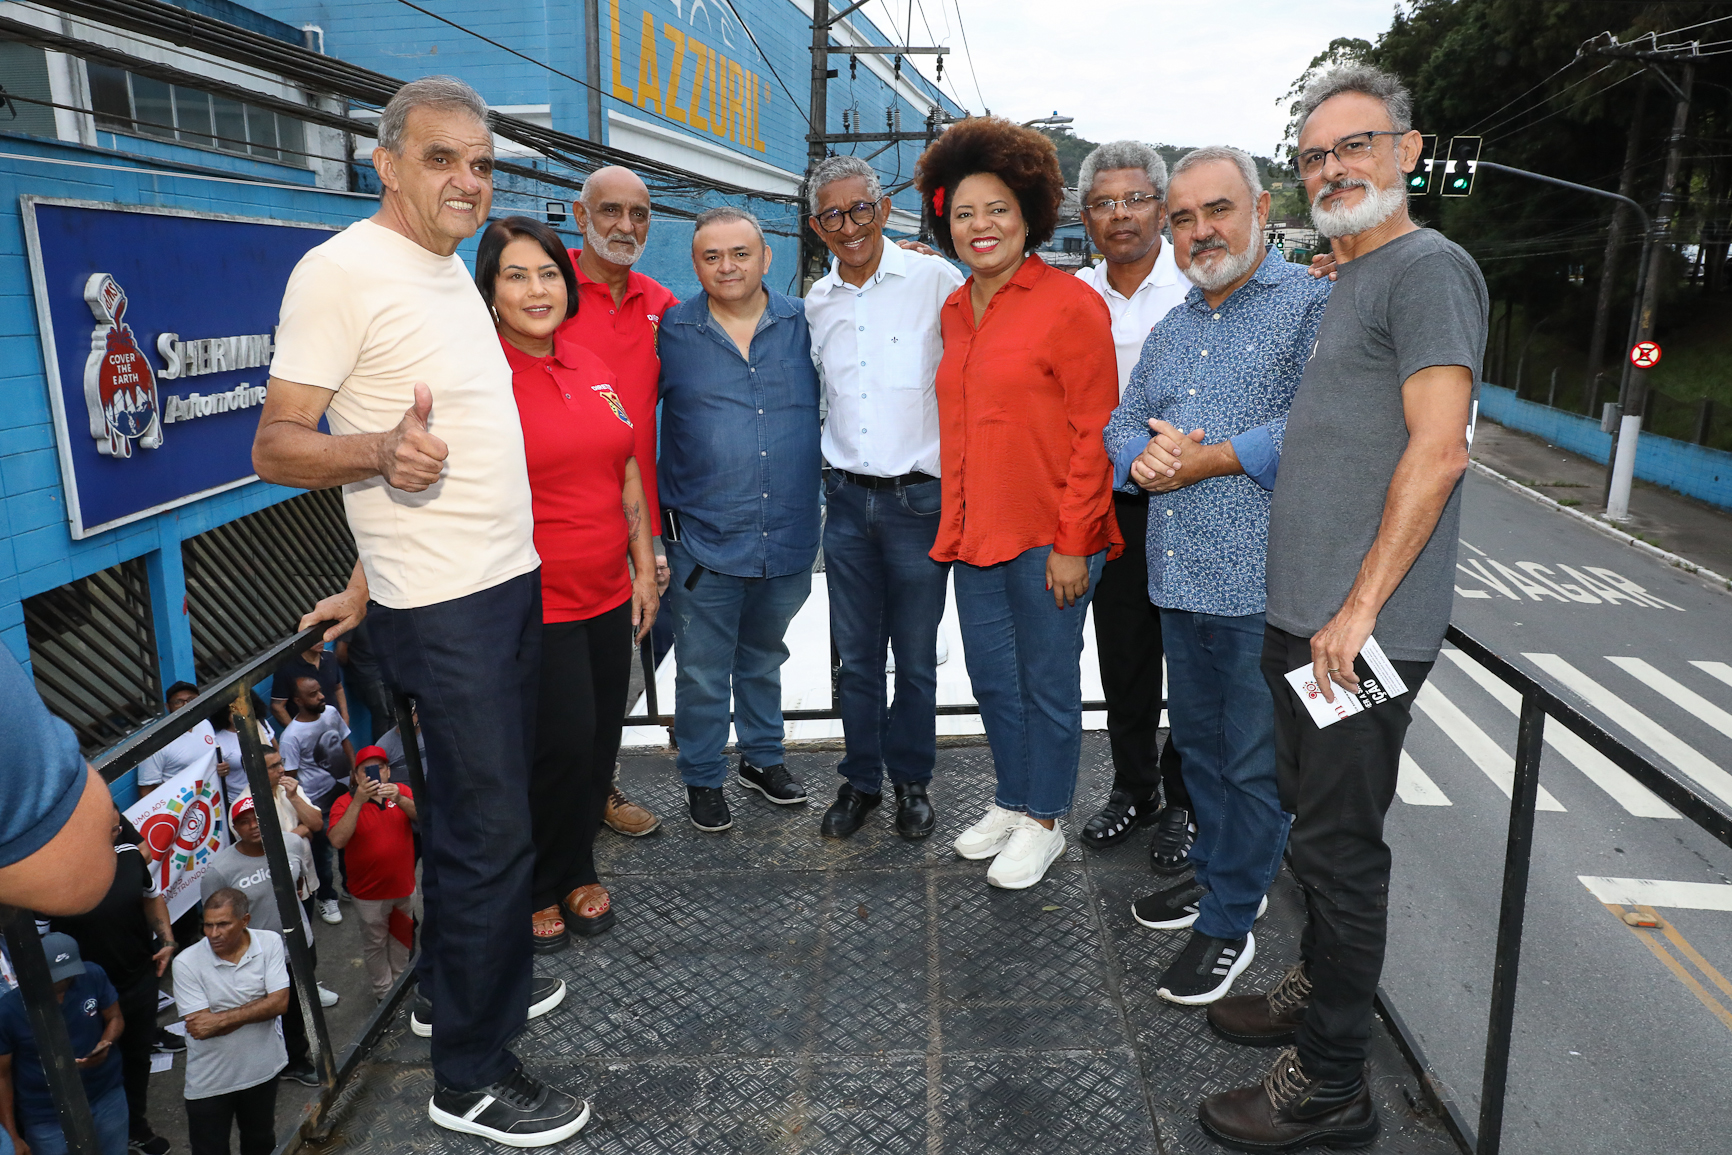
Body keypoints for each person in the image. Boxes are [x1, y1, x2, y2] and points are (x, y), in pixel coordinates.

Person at [254, 75, 581, 1145]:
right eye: (442, 158)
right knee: (488, 836)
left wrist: (357, 579)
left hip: (498, 582)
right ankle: (472, 1077)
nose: (467, 180)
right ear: (385, 162)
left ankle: (453, 991)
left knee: (477, 820)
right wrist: (379, 452)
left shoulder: (444, 273)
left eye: (482, 163)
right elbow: (278, 444)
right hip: (448, 611)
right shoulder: (339, 270)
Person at [1196, 67, 1486, 1152]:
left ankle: (1329, 1087)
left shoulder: (1428, 269)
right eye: (1314, 155)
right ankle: (1316, 995)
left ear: (1407, 151)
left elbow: (1439, 448)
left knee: (1342, 854)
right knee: (1309, 838)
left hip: (1354, 636)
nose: (1332, 168)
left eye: (1354, 145)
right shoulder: (1350, 277)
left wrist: (1361, 607)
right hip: (1303, 622)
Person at [1105, 146, 1331, 1008]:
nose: (1202, 232)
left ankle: (1232, 920)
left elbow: (1314, 424)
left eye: (1218, 211)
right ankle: (1210, 874)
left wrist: (1207, 459)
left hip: (1262, 588)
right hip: (1177, 575)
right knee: (1197, 753)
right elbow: (1122, 424)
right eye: (1185, 220)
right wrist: (1145, 457)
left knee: (1253, 765)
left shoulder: (1312, 306)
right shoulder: (1174, 326)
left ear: (1261, 208)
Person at [914, 118, 1123, 890]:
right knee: (995, 681)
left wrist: (1075, 540)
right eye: (964, 213)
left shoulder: (1069, 304)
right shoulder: (956, 311)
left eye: (998, 209)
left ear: (1028, 213)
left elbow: (1094, 431)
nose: (981, 226)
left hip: (1050, 538)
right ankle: (1013, 798)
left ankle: (1046, 820)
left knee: (1047, 682)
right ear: (946, 222)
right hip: (974, 534)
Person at [474, 215, 657, 948]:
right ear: (489, 291)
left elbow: (626, 469)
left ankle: (578, 862)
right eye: (515, 274)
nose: (536, 288)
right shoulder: (479, 379)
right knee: (555, 744)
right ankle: (542, 882)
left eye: (548, 272)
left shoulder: (590, 364)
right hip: (531, 599)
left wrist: (645, 565)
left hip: (608, 591)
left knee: (597, 738)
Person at [802, 155, 962, 840]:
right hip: (844, 505)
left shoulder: (935, 280)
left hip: (919, 504)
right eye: (833, 215)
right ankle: (862, 779)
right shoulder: (817, 302)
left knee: (916, 657)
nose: (850, 226)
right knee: (856, 657)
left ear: (885, 208)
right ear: (817, 227)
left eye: (860, 209)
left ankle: (912, 782)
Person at [657, 206, 822, 833]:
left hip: (789, 536)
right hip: (704, 540)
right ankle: (703, 775)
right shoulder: (671, 332)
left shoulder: (807, 324)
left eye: (740, 253)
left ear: (766, 256)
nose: (727, 267)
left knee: (763, 655)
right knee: (700, 670)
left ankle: (763, 758)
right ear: (696, 261)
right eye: (711, 256)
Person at [1071, 141, 1195, 867]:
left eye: (1135, 199)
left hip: (1193, 499)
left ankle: (1185, 799)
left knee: (1194, 660)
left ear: (1160, 207)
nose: (1121, 215)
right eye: (1104, 202)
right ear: (1085, 216)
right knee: (1124, 660)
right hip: (1110, 505)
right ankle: (1134, 786)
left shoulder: (1199, 286)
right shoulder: (1075, 294)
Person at [562, 164, 676, 839]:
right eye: (609, 211)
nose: (625, 226)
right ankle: (560, 805)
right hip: (554, 524)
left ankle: (597, 788)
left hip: (637, 531)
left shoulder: (661, 303)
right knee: (557, 685)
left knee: (619, 676)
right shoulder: (546, 291)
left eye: (639, 213)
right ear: (581, 216)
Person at [50, 814, 177, 1155]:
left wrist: (166, 939)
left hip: (138, 980)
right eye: (109, 824)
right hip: (83, 997)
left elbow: (151, 896)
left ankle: (135, 1126)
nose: (119, 829)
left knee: (137, 1058)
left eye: (118, 824)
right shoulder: (52, 873)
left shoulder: (128, 854)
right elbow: (37, 944)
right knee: (94, 1066)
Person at [199, 796, 324, 1088]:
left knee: (297, 1007)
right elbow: (213, 920)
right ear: (234, 828)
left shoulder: (290, 844)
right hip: (257, 956)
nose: (253, 826)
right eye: (244, 821)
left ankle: (295, 1059)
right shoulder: (220, 870)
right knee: (266, 1011)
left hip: (299, 944)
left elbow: (301, 884)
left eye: (257, 818)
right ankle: (280, 1063)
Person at [172, 889, 289, 1155]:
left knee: (260, 1140)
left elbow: (280, 1003)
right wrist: (261, 1006)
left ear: (245, 920)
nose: (213, 933)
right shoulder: (186, 963)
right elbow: (201, 1028)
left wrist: (220, 1019)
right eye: (208, 925)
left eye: (223, 924)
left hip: (263, 1070)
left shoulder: (269, 943)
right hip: (211, 1081)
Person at [0, 933, 127, 1155]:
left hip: (105, 1093)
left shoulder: (92, 975)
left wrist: (105, 1042)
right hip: (47, 1115)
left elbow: (115, 1017)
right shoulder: (9, 1011)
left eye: (68, 975)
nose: (62, 981)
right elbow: (2, 1076)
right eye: (55, 976)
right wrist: (13, 1137)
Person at [327, 748, 417, 999]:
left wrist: (400, 798)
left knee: (401, 938)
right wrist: (358, 801)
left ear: (388, 771)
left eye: (379, 767)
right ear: (355, 776)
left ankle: (400, 986)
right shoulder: (343, 803)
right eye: (366, 770)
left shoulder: (401, 792)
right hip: (369, 895)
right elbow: (337, 840)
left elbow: (424, 816)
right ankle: (383, 994)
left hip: (403, 887)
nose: (374, 774)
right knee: (375, 944)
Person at [276, 677, 353, 926]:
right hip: (318, 804)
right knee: (323, 854)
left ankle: (351, 886)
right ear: (298, 701)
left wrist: (355, 772)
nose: (321, 696)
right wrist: (302, 809)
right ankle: (326, 896)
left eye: (320, 690)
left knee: (349, 841)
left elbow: (345, 741)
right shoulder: (291, 737)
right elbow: (290, 778)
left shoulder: (330, 713)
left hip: (344, 792)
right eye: (313, 694)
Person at [135, 682, 219, 799]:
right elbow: (147, 790)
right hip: (178, 809)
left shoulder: (205, 724)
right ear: (168, 706)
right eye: (178, 702)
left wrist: (222, 769)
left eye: (191, 699)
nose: (186, 705)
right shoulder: (157, 741)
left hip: (210, 804)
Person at [269, 644, 346, 730]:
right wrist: (299, 733)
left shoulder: (330, 657)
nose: (321, 639)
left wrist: (345, 718)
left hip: (335, 726)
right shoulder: (286, 668)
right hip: (310, 731)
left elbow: (338, 688)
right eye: (314, 636)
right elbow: (277, 707)